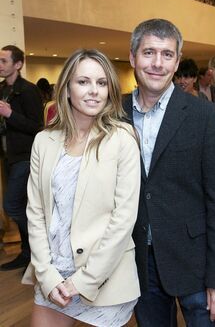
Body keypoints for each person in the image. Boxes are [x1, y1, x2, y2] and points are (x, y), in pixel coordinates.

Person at [123, 19, 215, 327]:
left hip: (197, 261)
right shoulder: (113, 114)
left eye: (167, 54)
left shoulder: (204, 115)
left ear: (177, 62)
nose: (157, 63)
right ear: (133, 57)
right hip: (139, 262)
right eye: (148, 53)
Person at [22, 49, 141, 327]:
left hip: (105, 276)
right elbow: (36, 212)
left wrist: (85, 280)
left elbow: (123, 219)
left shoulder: (122, 139)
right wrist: (47, 275)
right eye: (83, 82)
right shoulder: (44, 140)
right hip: (52, 274)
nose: (94, 91)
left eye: (101, 83)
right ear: (66, 88)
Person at [0, 45, 44, 271]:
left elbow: (37, 127)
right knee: (23, 207)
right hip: (8, 157)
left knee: (12, 206)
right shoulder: (2, 89)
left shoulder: (27, 90)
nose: (0, 64)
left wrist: (10, 115)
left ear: (17, 64)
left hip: (25, 157)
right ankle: (27, 255)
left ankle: (40, 246)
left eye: (4, 61)